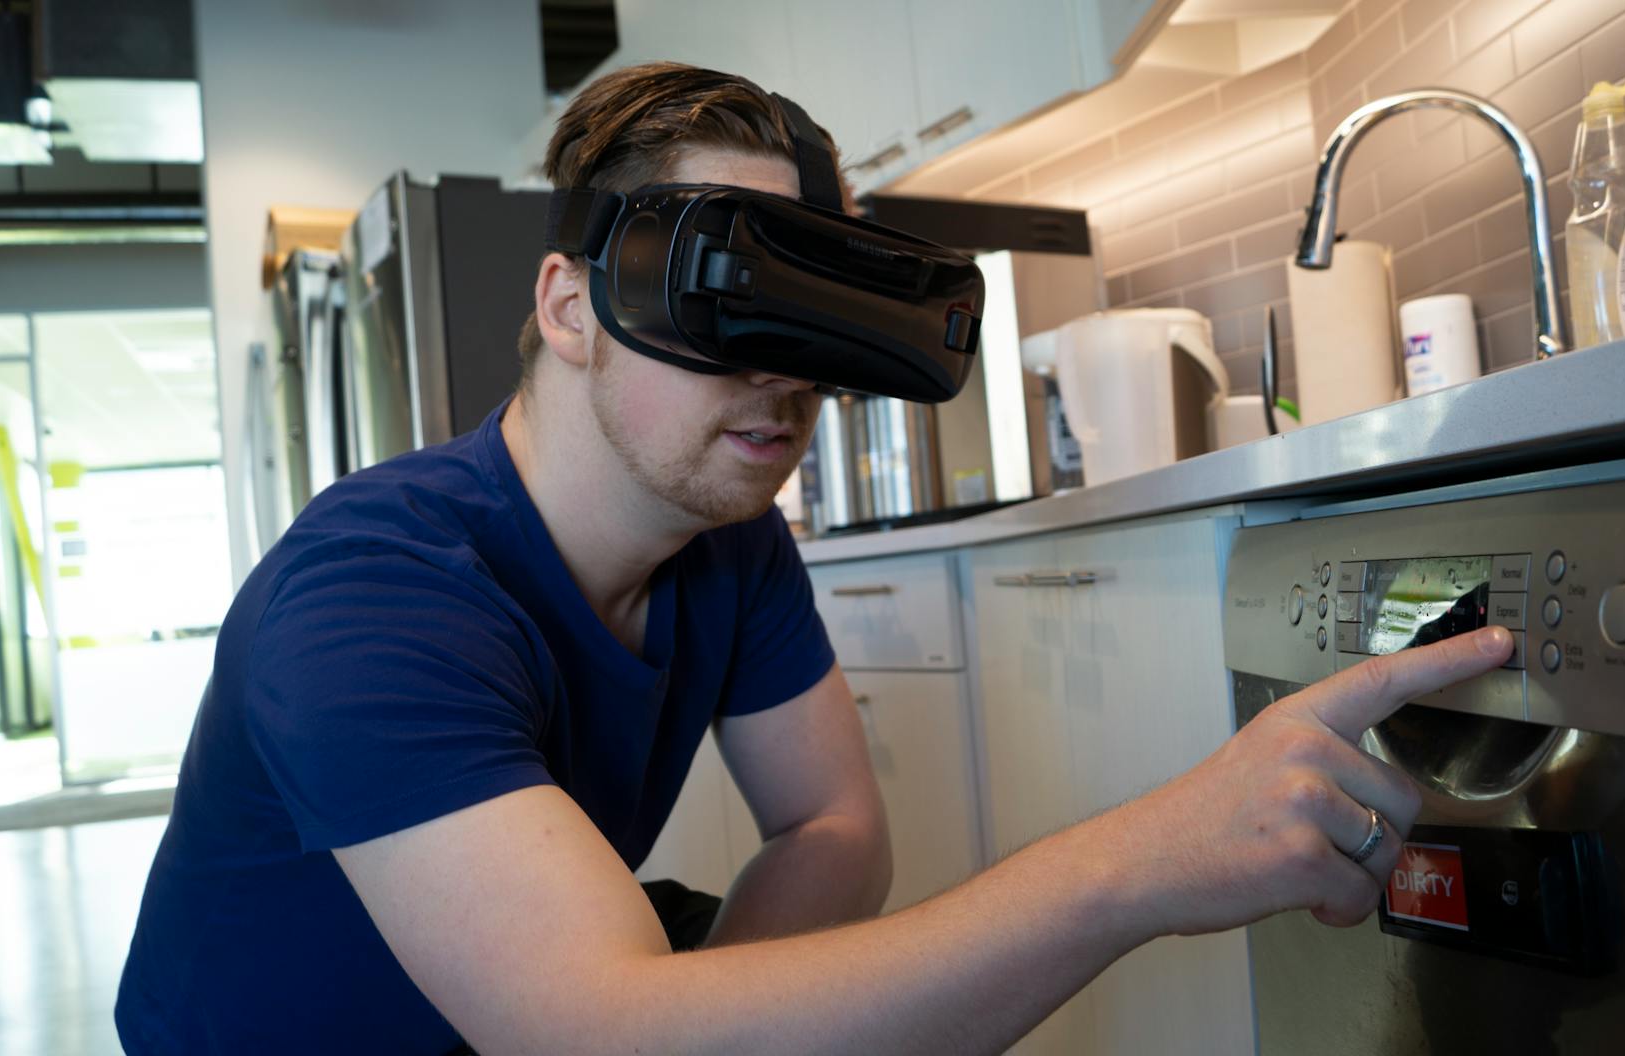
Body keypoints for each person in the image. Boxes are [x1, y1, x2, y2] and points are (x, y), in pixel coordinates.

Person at [115, 61, 1514, 1054]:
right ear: (571, 306)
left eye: (814, 321)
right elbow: (596, 1031)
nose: (785, 384)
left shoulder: (727, 537)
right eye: (729, 300)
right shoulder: (374, 593)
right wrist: (1140, 863)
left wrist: (711, 1018)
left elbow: (836, 828)